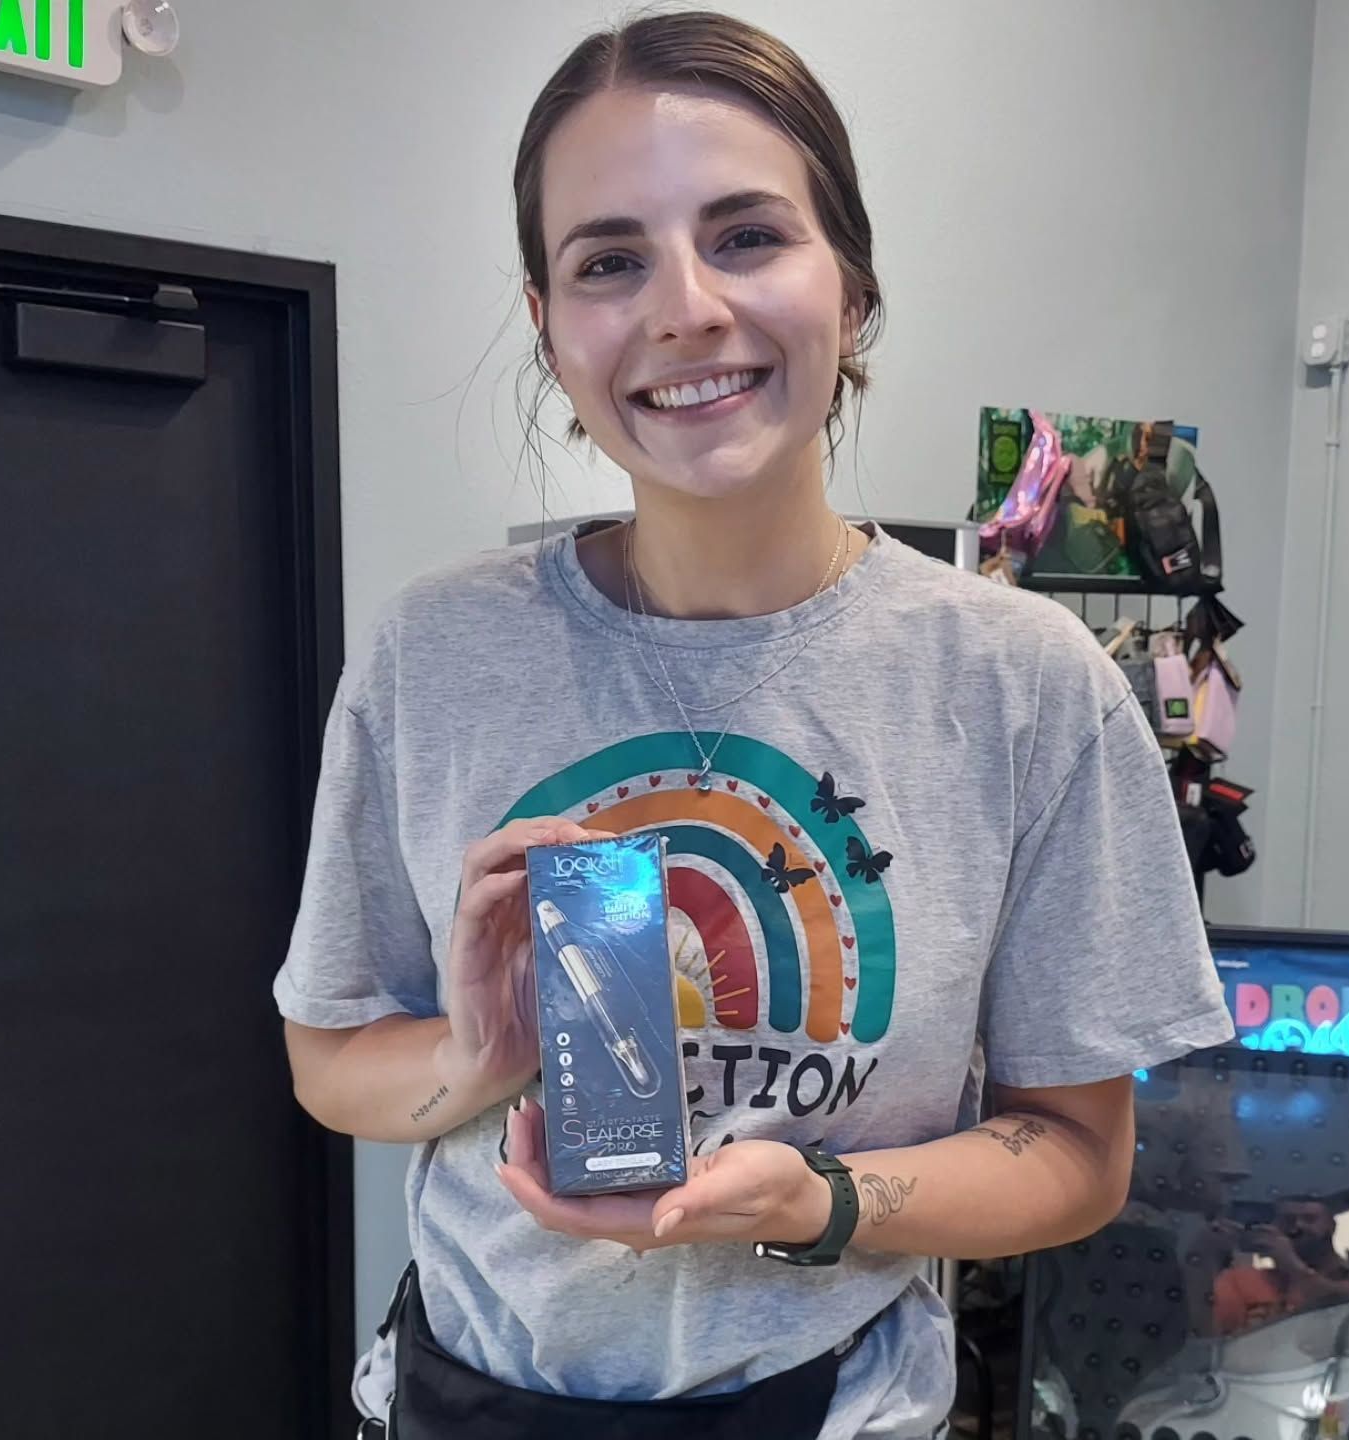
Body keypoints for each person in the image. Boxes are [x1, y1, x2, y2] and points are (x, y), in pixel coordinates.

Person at [273, 11, 1235, 1437]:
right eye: (609, 260)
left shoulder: (1024, 682)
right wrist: (475, 1058)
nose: (685, 311)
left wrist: (825, 1202)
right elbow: (329, 1058)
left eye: (745, 236)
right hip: (459, 1396)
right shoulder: (437, 650)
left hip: (834, 1404)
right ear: (546, 323)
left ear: (849, 282)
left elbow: (1080, 1155)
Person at [1211, 1197, 1349, 1337]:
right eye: (1288, 1221)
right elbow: (1216, 1339)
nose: (1298, 1226)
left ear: (1331, 1225)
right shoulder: (1239, 1281)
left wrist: (1292, 1265)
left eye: (1309, 1219)